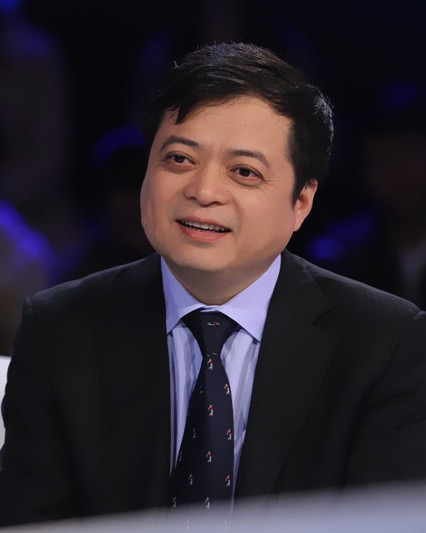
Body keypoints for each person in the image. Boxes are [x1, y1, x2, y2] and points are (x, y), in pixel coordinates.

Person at [1, 42, 426, 527]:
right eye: (179, 159)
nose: (203, 191)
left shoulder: (386, 343)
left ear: (301, 202)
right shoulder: (58, 329)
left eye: (244, 172)